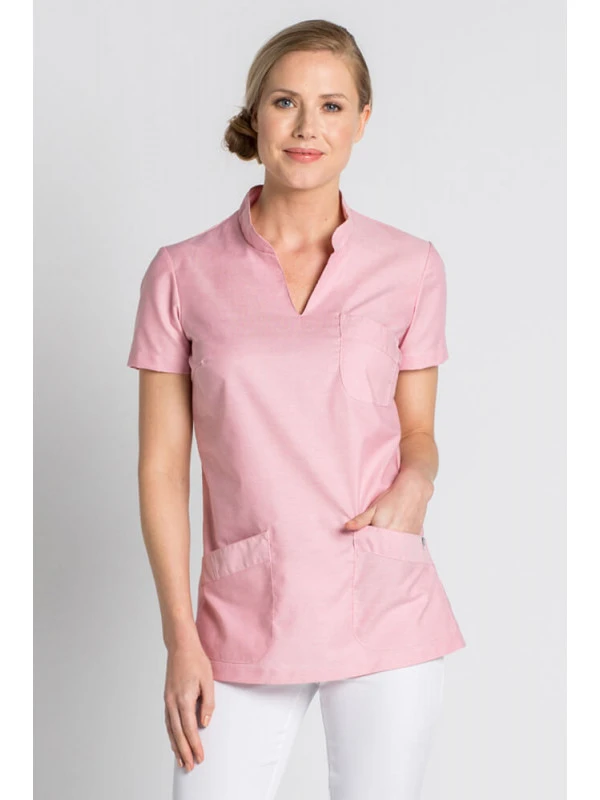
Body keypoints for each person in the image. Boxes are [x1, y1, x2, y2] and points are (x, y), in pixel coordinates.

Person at [126, 18, 466, 800]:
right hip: (244, 610)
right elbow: (161, 469)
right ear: (256, 116)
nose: (308, 126)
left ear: (362, 121)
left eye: (332, 106)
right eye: (286, 102)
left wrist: (416, 483)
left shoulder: (410, 266)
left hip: (382, 599)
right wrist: (180, 636)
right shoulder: (181, 273)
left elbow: (419, 433)